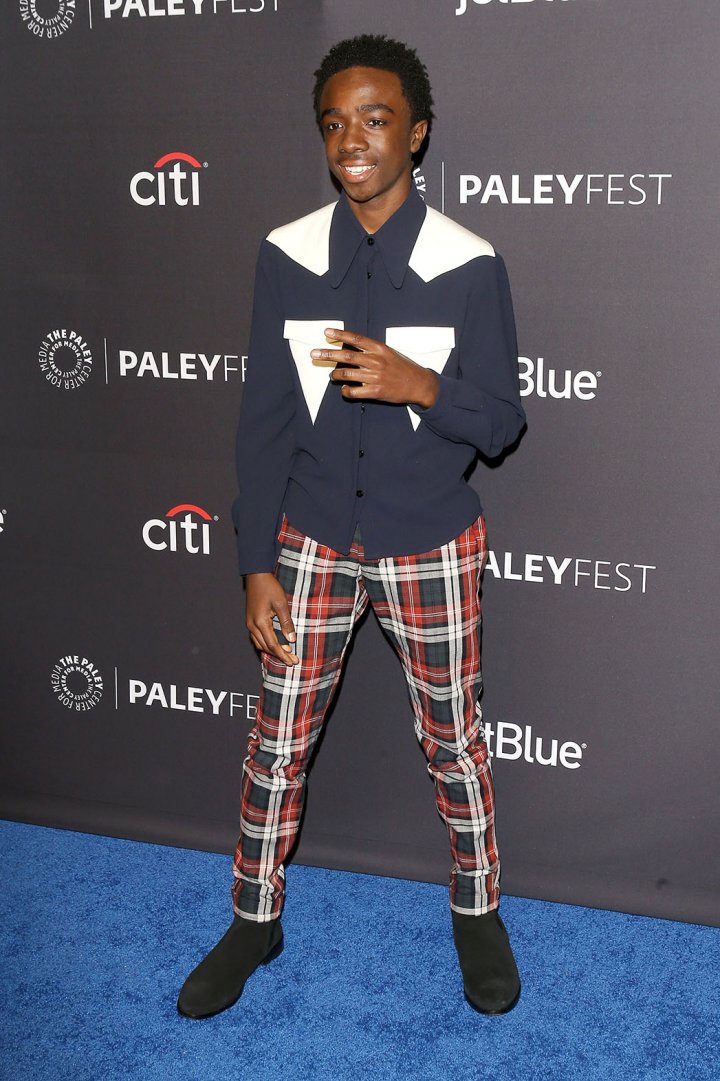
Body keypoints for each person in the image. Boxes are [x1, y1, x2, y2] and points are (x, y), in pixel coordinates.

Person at [177, 33, 526, 1021]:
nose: (353, 139)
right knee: (276, 740)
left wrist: (423, 387)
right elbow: (261, 425)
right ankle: (254, 918)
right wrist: (256, 561)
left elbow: (501, 419)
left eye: (375, 119)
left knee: (454, 739)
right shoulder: (287, 256)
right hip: (312, 538)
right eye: (335, 123)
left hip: (431, 540)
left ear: (416, 133)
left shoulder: (469, 262)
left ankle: (477, 909)